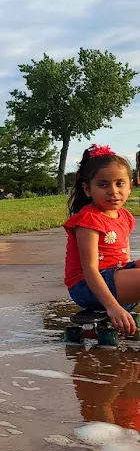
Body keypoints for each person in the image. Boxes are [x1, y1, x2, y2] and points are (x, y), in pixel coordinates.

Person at [64, 144, 139, 336]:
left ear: (131, 185)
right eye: (103, 184)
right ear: (88, 189)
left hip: (113, 276)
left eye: (119, 183)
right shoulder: (89, 219)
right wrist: (113, 306)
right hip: (86, 286)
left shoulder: (125, 216)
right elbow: (89, 269)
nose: (113, 191)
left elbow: (124, 257)